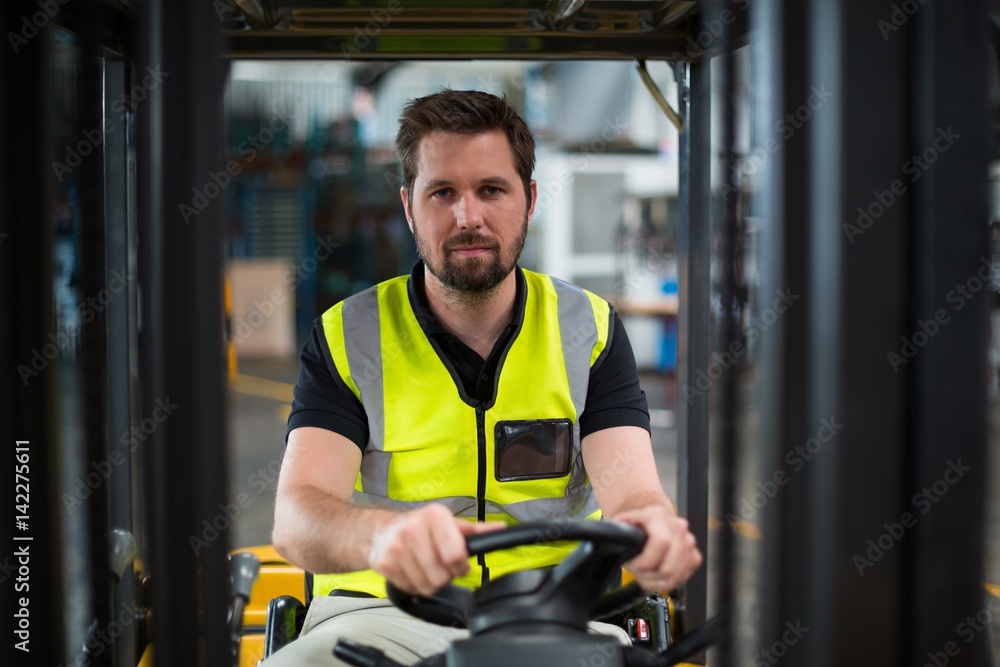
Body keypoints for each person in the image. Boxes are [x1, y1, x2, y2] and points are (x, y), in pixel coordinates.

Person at [264, 89, 701, 666]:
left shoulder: (587, 329)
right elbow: (297, 520)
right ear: (408, 206)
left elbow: (635, 493)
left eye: (491, 190)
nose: (468, 216)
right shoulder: (349, 335)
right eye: (442, 192)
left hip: (557, 613)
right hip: (381, 615)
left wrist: (654, 531)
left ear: (529, 200)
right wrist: (382, 538)